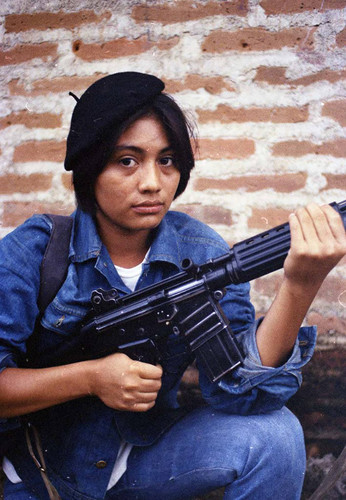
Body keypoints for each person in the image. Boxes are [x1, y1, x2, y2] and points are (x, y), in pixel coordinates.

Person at [0, 71, 345, 500]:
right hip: (38, 474)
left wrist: (300, 285)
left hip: (142, 461)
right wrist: (91, 378)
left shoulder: (202, 252)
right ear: (90, 168)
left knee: (275, 434)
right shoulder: (35, 252)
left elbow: (242, 395)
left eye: (167, 160)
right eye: (127, 160)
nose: (152, 182)